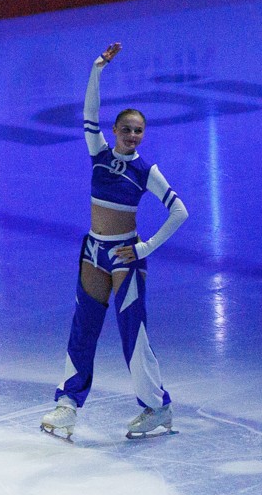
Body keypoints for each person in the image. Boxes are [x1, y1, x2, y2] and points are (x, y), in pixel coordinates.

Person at [41, 44, 189, 443]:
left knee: (132, 333)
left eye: (138, 131)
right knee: (83, 327)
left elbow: (179, 211)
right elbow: (89, 115)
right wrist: (97, 70)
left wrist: (144, 248)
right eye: (126, 129)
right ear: (115, 131)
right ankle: (67, 405)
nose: (132, 135)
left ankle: (157, 407)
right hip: (93, 252)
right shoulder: (99, 154)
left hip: (126, 256)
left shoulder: (146, 171)